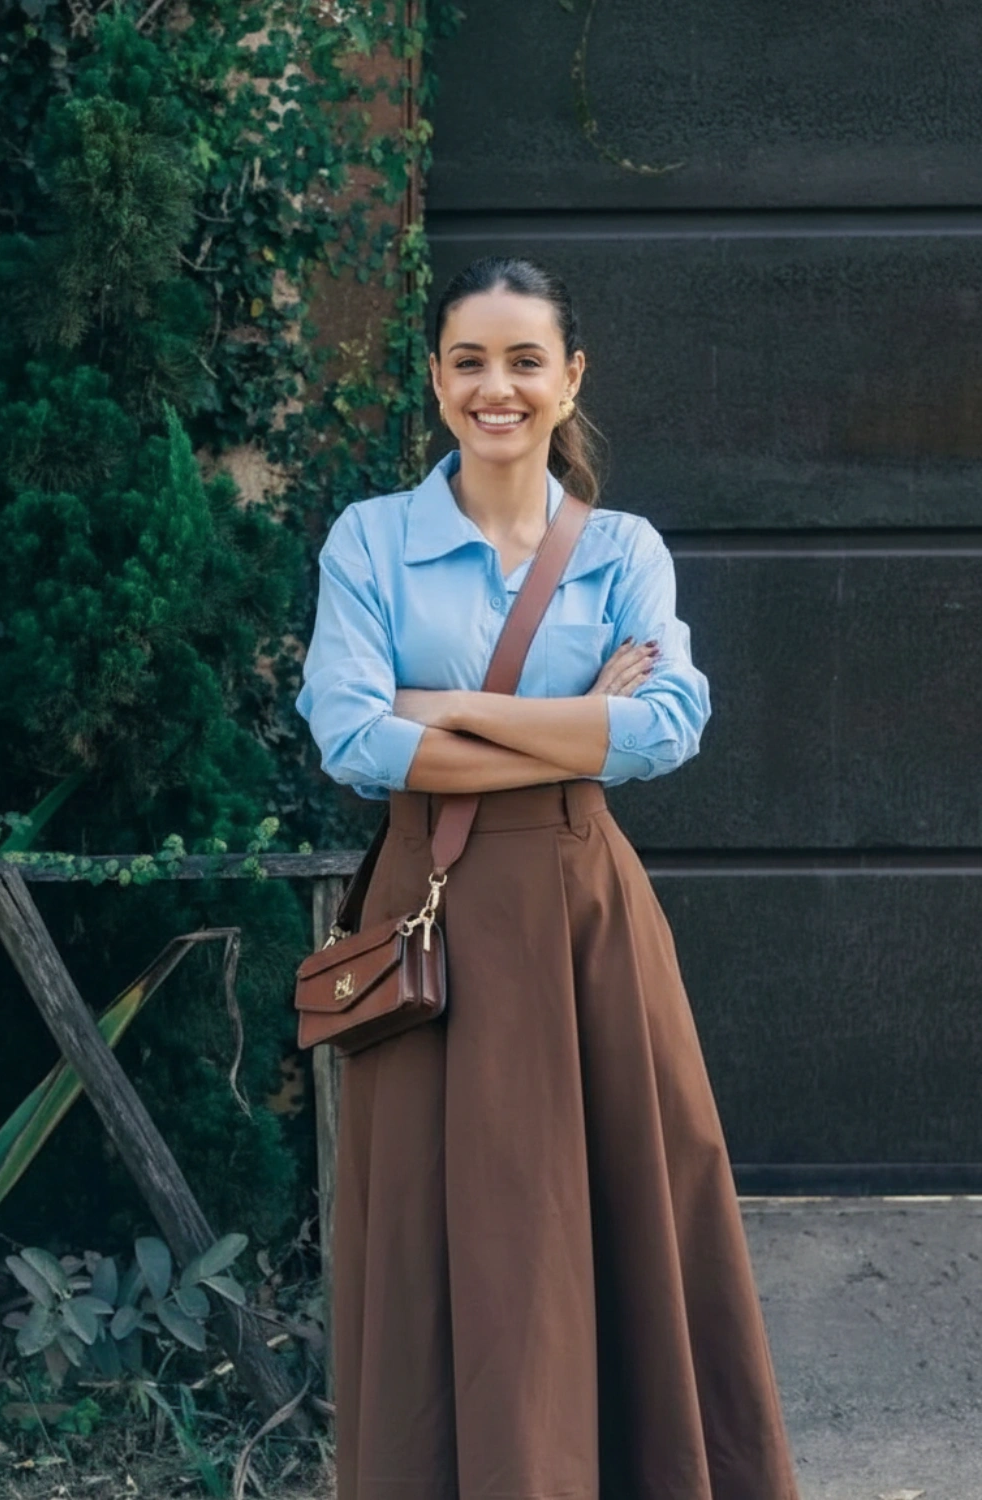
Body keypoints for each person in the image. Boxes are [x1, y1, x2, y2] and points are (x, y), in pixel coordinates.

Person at [296, 256, 800, 1500]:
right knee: (442, 1237)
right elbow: (351, 739)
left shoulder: (622, 548)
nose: (497, 388)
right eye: (469, 361)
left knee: (623, 1216)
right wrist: (573, 727)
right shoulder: (371, 538)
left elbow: (666, 728)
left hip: (585, 924)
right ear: (434, 380)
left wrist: (445, 707)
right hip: (431, 925)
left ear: (570, 379)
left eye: (525, 361)